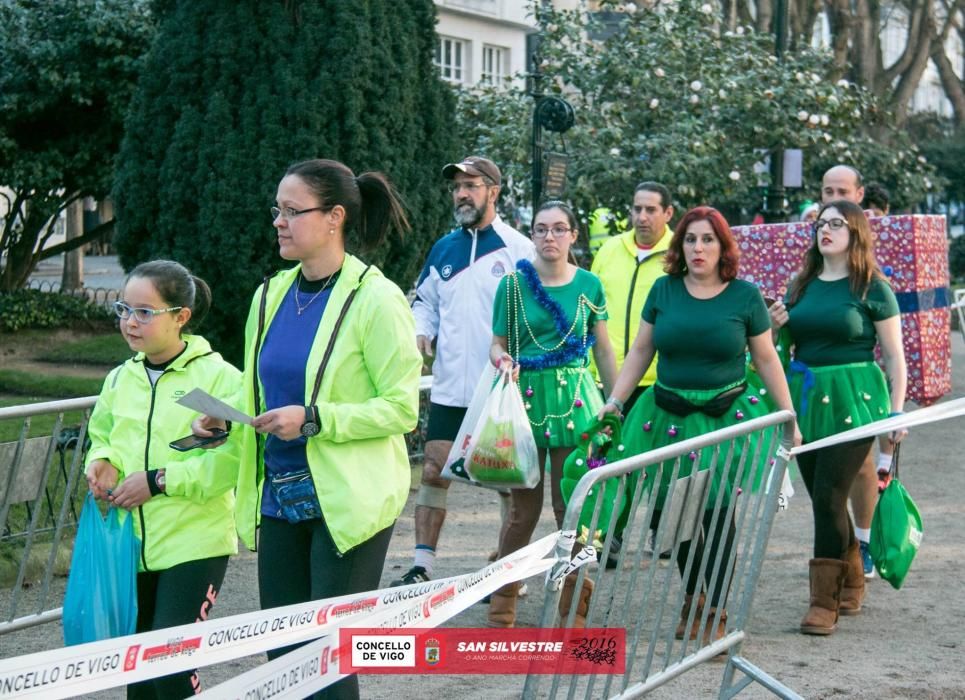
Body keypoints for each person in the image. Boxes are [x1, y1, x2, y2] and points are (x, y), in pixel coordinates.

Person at [197, 159, 421, 700]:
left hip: (348, 503)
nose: (278, 221)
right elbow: (259, 387)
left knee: (329, 661)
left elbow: (401, 409)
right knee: (285, 658)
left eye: (293, 211)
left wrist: (316, 419)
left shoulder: (378, 298)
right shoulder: (269, 294)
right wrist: (226, 419)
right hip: (278, 497)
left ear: (334, 218)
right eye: (277, 209)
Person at [600, 206, 798, 643]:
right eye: (690, 239)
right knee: (671, 515)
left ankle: (717, 609)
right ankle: (694, 594)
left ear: (723, 246)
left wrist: (789, 418)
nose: (698, 248)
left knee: (716, 510)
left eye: (708, 239)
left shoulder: (745, 296)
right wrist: (615, 400)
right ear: (680, 246)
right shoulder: (663, 290)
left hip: (725, 419)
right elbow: (641, 351)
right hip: (665, 416)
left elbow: (765, 358)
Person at [86, 260, 241, 698]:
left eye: (144, 312)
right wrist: (101, 463)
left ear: (181, 317)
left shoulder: (220, 379)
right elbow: (103, 436)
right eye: (123, 309)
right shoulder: (120, 378)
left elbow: (230, 463)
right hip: (130, 547)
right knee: (137, 672)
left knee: (170, 671)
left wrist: (157, 481)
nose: (129, 323)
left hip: (195, 545)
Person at [768, 200, 907, 635]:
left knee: (829, 493)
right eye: (821, 223)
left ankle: (822, 602)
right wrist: (773, 325)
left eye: (836, 224)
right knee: (822, 496)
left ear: (856, 232)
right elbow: (778, 346)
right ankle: (850, 579)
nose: (824, 230)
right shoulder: (800, 285)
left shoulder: (872, 287)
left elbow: (896, 360)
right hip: (806, 397)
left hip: (856, 401)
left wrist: (895, 414)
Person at [394, 156, 534, 587]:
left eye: (471, 185)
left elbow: (536, 313)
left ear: (494, 190)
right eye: (457, 186)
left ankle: (508, 571)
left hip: (499, 387)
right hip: (450, 385)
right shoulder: (443, 248)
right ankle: (422, 567)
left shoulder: (519, 248)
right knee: (434, 470)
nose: (461, 193)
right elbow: (425, 302)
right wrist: (421, 330)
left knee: (507, 482)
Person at [487, 200, 618, 628]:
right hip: (523, 403)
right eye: (541, 229)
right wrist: (501, 359)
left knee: (572, 510)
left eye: (559, 229)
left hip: (577, 403)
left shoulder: (590, 284)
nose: (549, 237)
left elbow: (602, 347)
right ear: (533, 234)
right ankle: (503, 597)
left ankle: (573, 604)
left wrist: (616, 403)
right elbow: (497, 343)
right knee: (523, 512)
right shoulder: (512, 285)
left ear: (573, 236)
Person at [590, 181, 675, 559]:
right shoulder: (610, 250)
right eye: (637, 209)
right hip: (609, 379)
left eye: (651, 209)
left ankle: (664, 531)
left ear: (667, 213)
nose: (641, 217)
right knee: (610, 462)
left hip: (661, 378)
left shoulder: (680, 252)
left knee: (662, 463)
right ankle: (610, 536)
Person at [820, 163, 884, 578]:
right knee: (823, 473)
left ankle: (863, 541)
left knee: (860, 466)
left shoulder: (873, 233)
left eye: (841, 189)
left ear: (859, 193)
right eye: (826, 190)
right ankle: (842, 545)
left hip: (858, 373)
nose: (832, 196)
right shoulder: (816, 233)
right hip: (816, 378)